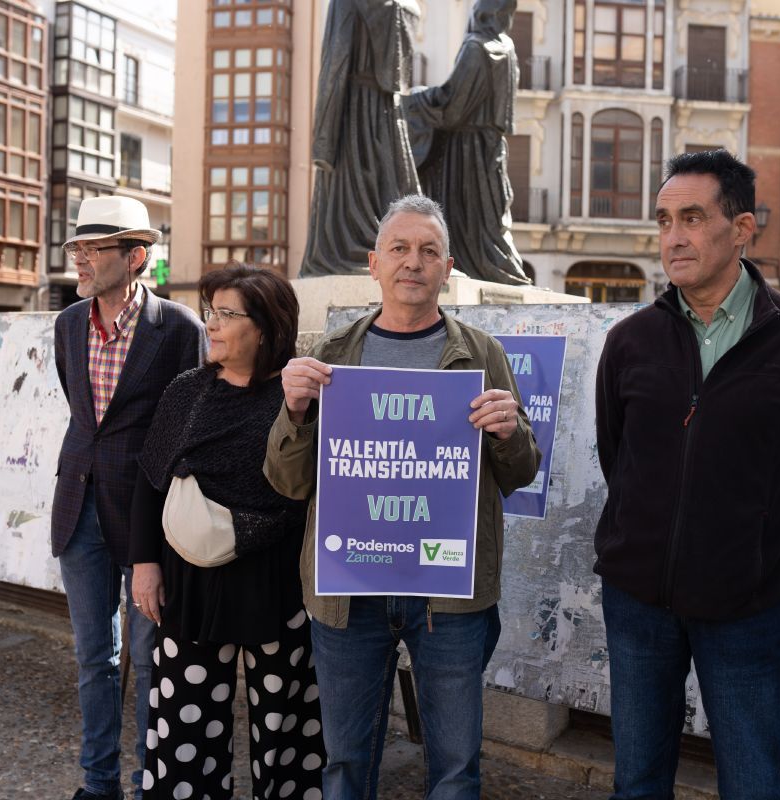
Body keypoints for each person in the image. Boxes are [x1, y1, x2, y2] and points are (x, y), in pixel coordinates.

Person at [264, 193, 542, 799]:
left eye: (428, 251)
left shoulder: (482, 355)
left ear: (447, 267)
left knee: (455, 766)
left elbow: (520, 472)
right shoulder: (331, 356)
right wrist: (292, 412)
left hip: (450, 597)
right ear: (374, 263)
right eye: (399, 248)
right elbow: (287, 482)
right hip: (347, 594)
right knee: (344, 762)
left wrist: (509, 431)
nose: (413, 262)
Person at [594, 149, 780, 800]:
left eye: (692, 217)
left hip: (748, 609)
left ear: (742, 230)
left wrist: (766, 553)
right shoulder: (628, 344)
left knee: (753, 783)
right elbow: (616, 456)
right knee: (638, 781)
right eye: (663, 219)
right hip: (637, 603)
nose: (673, 236)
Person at [129, 264, 325, 800]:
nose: (210, 325)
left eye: (226, 314)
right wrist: (144, 566)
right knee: (184, 730)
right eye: (209, 312)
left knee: (286, 728)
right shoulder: (187, 391)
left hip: (277, 582)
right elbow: (151, 483)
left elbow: (312, 487)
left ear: (265, 326)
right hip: (190, 581)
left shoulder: (301, 396)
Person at [51, 196, 207, 800]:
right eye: (76, 249)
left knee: (149, 662)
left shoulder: (179, 328)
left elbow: (190, 425)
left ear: (135, 256)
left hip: (149, 521)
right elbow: (82, 415)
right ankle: (98, 785)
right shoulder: (68, 324)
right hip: (78, 512)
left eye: (94, 249)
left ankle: (151, 783)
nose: (81, 260)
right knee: (95, 659)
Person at [404, 0, 528, 285]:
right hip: (493, 147)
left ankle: (478, 267)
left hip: (466, 150)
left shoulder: (475, 47)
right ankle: (498, 267)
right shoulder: (507, 48)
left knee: (468, 217)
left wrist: (416, 98)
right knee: (490, 220)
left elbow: (451, 106)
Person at [300, 0, 422, 276]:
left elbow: (336, 58)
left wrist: (323, 135)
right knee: (391, 189)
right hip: (390, 115)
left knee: (347, 198)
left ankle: (357, 250)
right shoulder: (408, 6)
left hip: (351, 109)